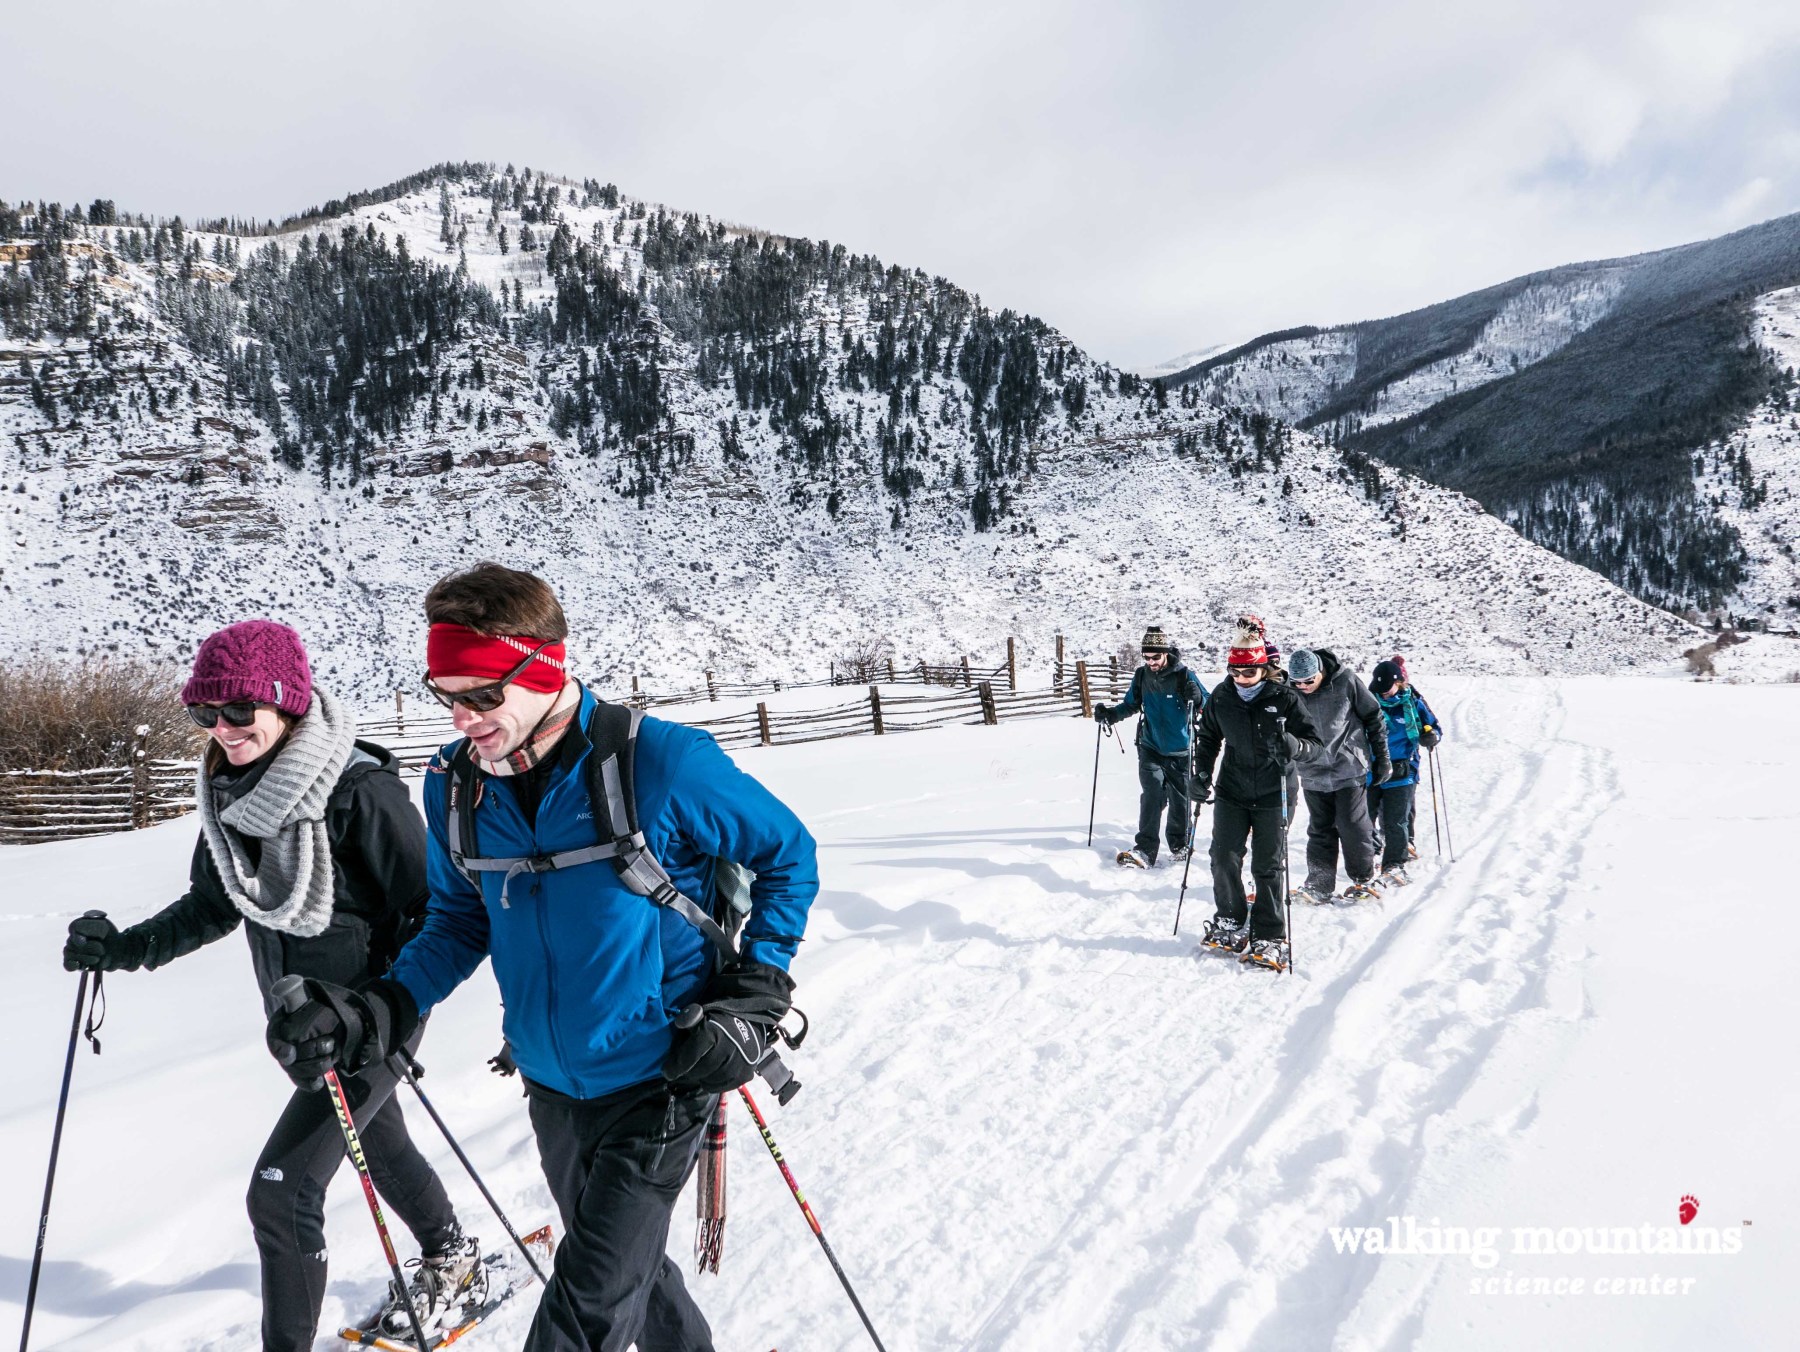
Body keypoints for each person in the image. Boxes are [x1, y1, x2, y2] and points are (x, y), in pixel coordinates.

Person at [264, 563, 819, 1352]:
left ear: (544, 668)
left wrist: (759, 990)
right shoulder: (455, 790)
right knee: (630, 1269)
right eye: (445, 695)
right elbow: (460, 920)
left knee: (582, 1313)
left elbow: (789, 854)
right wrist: (382, 1006)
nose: (462, 719)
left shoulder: (657, 763)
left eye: (482, 696)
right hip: (552, 1084)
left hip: (665, 1073)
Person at [61, 620, 476, 1352]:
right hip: (298, 1026)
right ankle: (452, 1256)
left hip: (374, 1014)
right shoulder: (231, 796)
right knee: (377, 1145)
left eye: (237, 712)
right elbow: (216, 902)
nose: (221, 731)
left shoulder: (360, 791)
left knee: (282, 1191)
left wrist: (366, 1015)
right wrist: (126, 949)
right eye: (204, 714)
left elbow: (436, 913)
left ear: (285, 703)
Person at [1191, 619, 1323, 969]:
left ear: (1263, 670)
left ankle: (1269, 933)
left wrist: (1292, 745)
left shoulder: (1284, 698)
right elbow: (1207, 738)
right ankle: (1231, 918)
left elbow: (1315, 747)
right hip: (1232, 789)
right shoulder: (1222, 696)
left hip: (1274, 792)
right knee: (1223, 856)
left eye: (1248, 673)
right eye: (1235, 672)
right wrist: (1201, 772)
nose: (1241, 679)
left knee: (1267, 865)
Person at [1094, 625, 1207, 867]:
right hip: (1150, 746)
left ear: (1165, 653)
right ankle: (1144, 850)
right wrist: (1111, 715)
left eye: (1155, 657)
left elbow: (1206, 705)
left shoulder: (1184, 675)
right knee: (1152, 795)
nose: (1151, 662)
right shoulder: (1142, 675)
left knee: (1180, 801)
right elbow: (1131, 704)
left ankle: (1179, 845)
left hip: (1181, 749)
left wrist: (1196, 696)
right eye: (1146, 657)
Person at [1286, 648, 1391, 903]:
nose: (1303, 686)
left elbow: (1373, 716)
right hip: (1312, 769)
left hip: (1348, 766)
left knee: (1352, 825)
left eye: (1308, 681)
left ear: (1320, 672)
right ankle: (1319, 885)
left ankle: (1363, 879)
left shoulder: (1346, 681)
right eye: (1297, 682)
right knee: (1320, 829)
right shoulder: (1289, 692)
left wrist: (1382, 758)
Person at [1367, 659, 1443, 885]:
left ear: (1398, 683)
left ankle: (1394, 865)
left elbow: (1435, 727)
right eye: (1379, 691)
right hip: (1370, 770)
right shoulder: (1368, 702)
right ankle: (1367, 858)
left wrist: (1430, 736)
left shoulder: (1413, 703)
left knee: (1396, 820)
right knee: (1363, 819)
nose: (1384, 695)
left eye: (1388, 690)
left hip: (1403, 770)